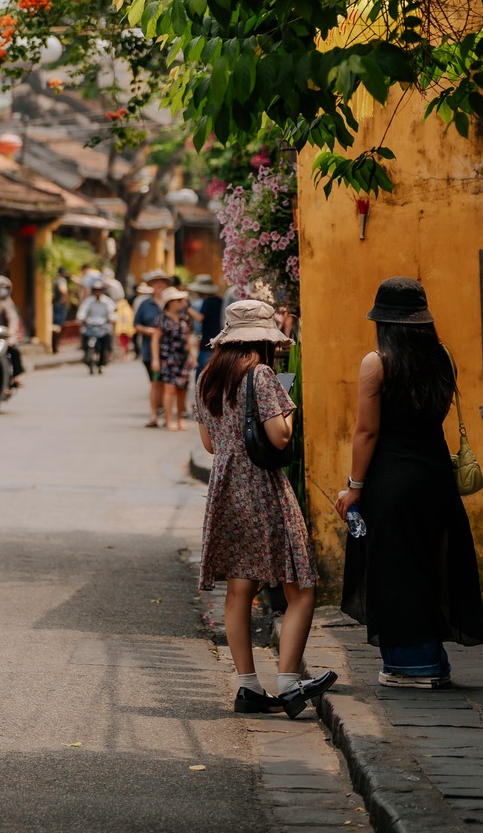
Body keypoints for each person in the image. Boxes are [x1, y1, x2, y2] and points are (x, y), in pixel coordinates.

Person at [335, 277, 483, 687]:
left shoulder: (377, 362)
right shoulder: (443, 357)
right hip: (435, 475)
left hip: (392, 479)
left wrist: (354, 486)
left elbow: (367, 432)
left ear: (384, 321)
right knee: (429, 564)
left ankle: (412, 666)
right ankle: (434, 662)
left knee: (395, 568)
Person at [197, 299, 337, 716]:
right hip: (261, 486)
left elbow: (208, 444)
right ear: (264, 339)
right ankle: (290, 684)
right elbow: (279, 437)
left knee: (240, 588)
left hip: (225, 487)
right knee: (301, 586)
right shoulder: (260, 374)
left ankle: (248, 688)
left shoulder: (206, 376)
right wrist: (287, 408)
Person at [155, 287, 196, 430]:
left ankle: (180, 418)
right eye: (178, 300)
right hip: (168, 358)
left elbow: (187, 338)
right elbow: (155, 339)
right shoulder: (162, 318)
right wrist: (155, 360)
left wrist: (191, 355)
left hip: (182, 358)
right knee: (169, 389)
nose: (181, 303)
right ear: (170, 302)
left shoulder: (184, 318)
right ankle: (168, 420)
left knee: (182, 389)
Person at [133, 276, 166, 422]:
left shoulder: (172, 303)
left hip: (170, 350)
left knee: (167, 384)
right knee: (155, 382)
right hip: (149, 350)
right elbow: (137, 324)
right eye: (156, 283)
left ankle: (166, 412)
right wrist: (149, 331)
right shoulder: (145, 304)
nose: (159, 285)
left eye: (162, 283)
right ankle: (155, 413)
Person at [75, 281, 116, 366]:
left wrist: (111, 319)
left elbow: (112, 313)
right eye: (96, 290)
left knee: (108, 334)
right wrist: (81, 318)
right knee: (83, 333)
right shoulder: (88, 301)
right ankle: (84, 351)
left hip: (103, 325)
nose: (97, 292)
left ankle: (107, 354)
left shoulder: (107, 302)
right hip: (91, 324)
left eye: (99, 290)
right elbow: (82, 311)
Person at [191, 275, 224, 375]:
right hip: (219, 341)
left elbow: (199, 318)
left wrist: (187, 307)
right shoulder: (219, 300)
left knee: (202, 374)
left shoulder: (207, 302)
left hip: (208, 344)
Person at [50, 270, 72, 352]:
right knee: (58, 326)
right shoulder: (61, 281)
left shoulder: (54, 280)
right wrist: (65, 300)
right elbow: (63, 290)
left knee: (55, 325)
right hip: (60, 304)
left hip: (55, 303)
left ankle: (54, 345)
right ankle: (55, 345)